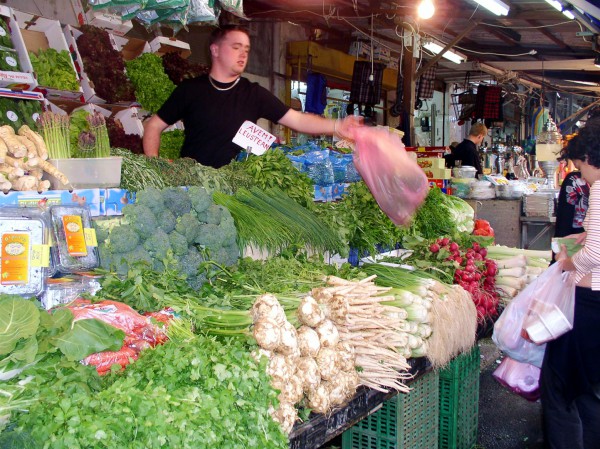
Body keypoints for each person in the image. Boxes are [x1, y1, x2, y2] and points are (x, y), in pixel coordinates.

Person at [143, 24, 361, 168]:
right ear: (215, 50)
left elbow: (297, 119)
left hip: (237, 186)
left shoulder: (254, 94)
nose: (243, 54)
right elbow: (153, 125)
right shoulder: (190, 90)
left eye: (246, 49)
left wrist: (336, 125)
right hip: (193, 183)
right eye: (236, 47)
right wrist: (155, 164)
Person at [548, 118, 600, 449]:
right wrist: (585, 235)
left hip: (588, 302)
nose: (580, 175)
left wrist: (567, 263)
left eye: (580, 166)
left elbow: (595, 253)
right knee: (588, 386)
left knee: (560, 385)